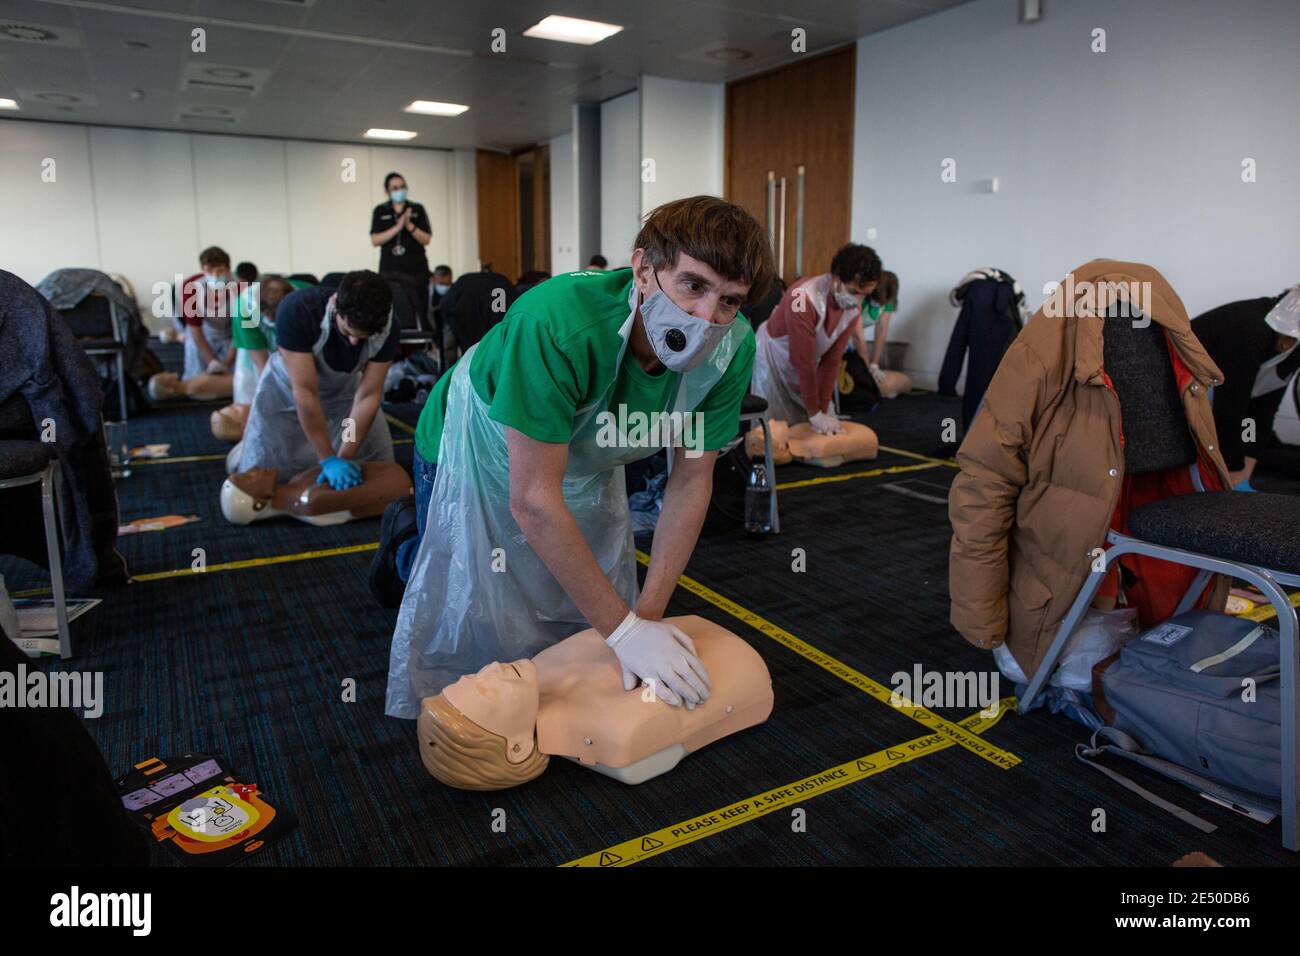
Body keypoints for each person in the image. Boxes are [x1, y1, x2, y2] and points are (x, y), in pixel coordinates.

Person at [382, 195, 774, 719]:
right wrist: (625, 629)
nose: (708, 318)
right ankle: (404, 547)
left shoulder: (732, 348)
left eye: (730, 300)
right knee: (468, 585)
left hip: (588, 448)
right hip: (478, 437)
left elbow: (690, 480)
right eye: (693, 285)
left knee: (576, 608)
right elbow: (532, 499)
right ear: (643, 269)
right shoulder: (555, 324)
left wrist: (645, 618)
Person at [233, 270, 399, 489]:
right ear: (335, 304)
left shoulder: (389, 326)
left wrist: (345, 455)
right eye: (348, 331)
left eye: (363, 338)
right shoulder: (297, 310)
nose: (353, 342)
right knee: (270, 469)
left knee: (374, 461)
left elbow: (367, 396)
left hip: (345, 391)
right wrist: (327, 459)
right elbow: (306, 393)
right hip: (287, 392)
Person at [751, 243, 881, 434]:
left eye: (865, 295)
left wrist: (825, 405)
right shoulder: (800, 296)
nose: (858, 300)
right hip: (772, 356)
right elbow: (802, 359)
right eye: (853, 291)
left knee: (807, 428)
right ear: (836, 278)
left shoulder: (853, 309)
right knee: (772, 430)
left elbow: (832, 361)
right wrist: (815, 412)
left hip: (805, 362)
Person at [1192, 287, 1300, 490]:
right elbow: (1231, 408)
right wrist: (1235, 471)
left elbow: (1263, 408)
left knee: (1268, 449)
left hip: (1235, 420)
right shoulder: (1248, 325)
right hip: (1193, 413)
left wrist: (1248, 462)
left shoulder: (1292, 346)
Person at [181, 246, 238, 381]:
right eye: (209, 271)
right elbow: (195, 329)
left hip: (231, 337)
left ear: (228, 269)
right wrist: (211, 361)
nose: (215, 275)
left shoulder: (240, 288)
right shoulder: (191, 288)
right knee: (193, 351)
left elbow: (241, 329)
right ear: (203, 270)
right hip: (203, 337)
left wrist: (227, 363)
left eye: (220, 270)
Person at [370, 172, 432, 283]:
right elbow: (375, 240)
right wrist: (398, 227)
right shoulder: (380, 210)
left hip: (416, 270)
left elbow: (426, 239)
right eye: (395, 188)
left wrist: (409, 226)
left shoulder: (417, 208)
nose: (400, 190)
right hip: (390, 270)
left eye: (402, 187)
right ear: (387, 191)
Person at [851, 270, 898, 387]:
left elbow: (882, 329)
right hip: (842, 337)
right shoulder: (859, 297)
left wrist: (874, 365)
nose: (880, 304)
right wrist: (866, 369)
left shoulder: (888, 299)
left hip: (853, 341)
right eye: (878, 301)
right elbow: (857, 334)